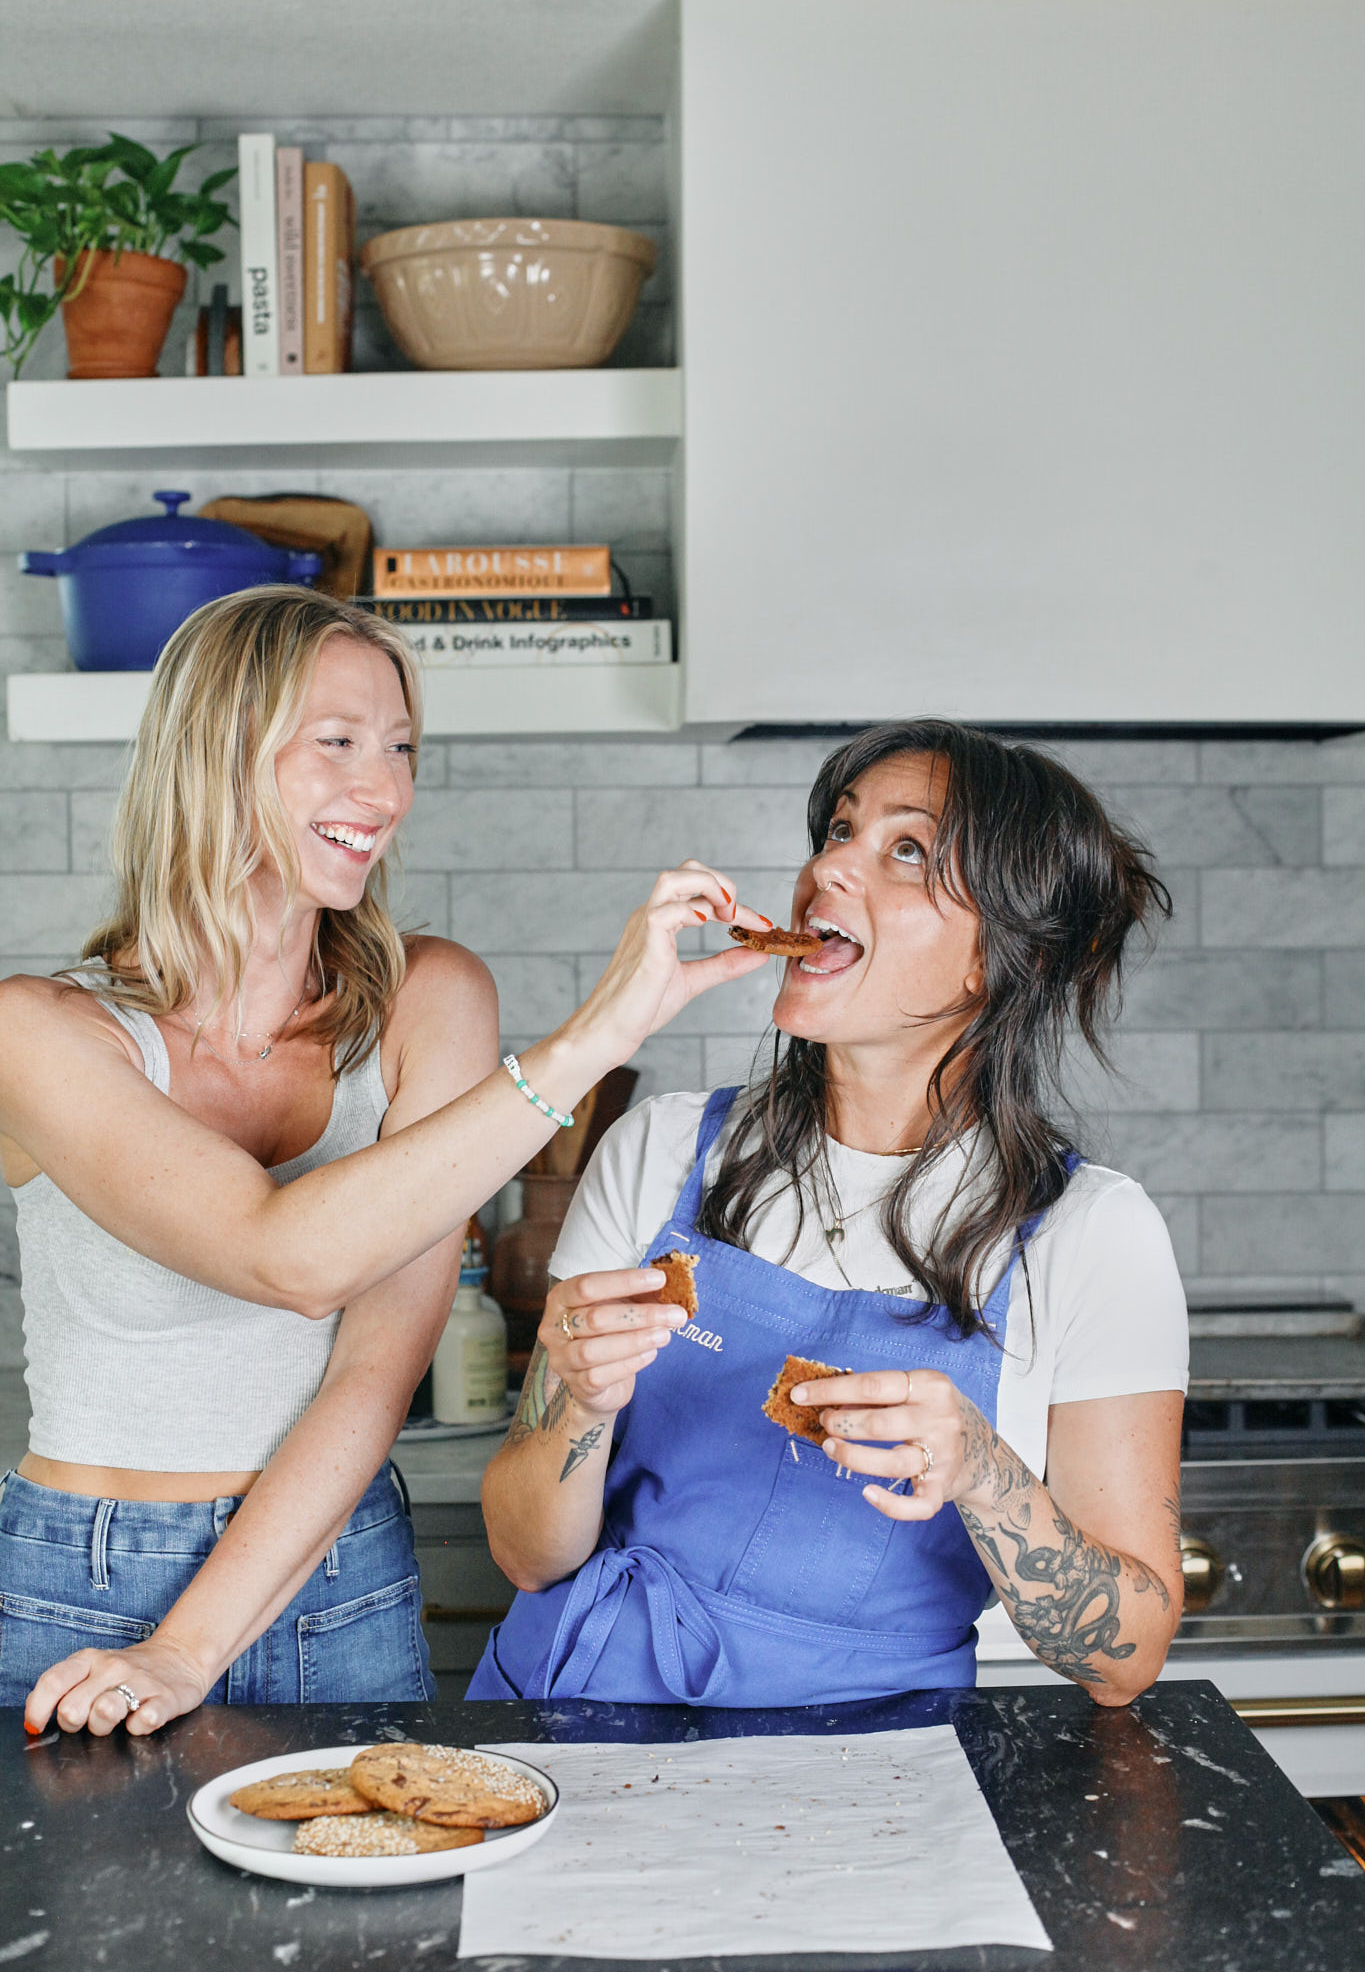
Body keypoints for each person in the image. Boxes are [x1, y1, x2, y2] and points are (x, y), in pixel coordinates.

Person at [0, 584, 766, 1736]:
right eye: (339, 742)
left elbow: (373, 1370)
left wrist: (188, 1649)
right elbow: (287, 1257)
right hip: (81, 1578)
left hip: (337, 1567)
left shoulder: (429, 1002)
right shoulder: (39, 1030)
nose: (386, 789)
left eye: (401, 747)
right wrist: (593, 1036)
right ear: (216, 753)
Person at [476, 721, 1189, 1709]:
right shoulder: (661, 1149)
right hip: (576, 1714)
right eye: (841, 830)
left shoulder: (1091, 1233)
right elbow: (524, 1552)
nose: (828, 868)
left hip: (871, 1769)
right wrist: (583, 1408)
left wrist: (984, 1472)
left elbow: (1124, 1661)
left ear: (996, 959)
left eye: (908, 850)